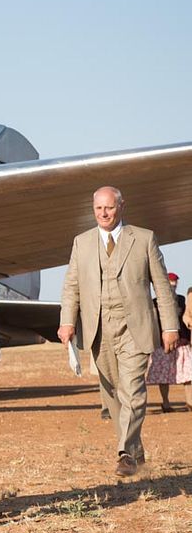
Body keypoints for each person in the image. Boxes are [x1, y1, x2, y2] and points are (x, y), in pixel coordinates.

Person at [59, 187, 180, 476]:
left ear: (121, 207)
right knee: (113, 392)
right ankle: (136, 450)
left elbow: (162, 287)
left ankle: (125, 452)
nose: (103, 213)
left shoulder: (144, 239)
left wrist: (170, 326)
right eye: (99, 208)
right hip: (99, 329)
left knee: (132, 388)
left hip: (134, 328)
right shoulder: (82, 242)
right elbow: (71, 286)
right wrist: (67, 321)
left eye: (109, 208)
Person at [146, 273, 191, 412]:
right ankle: (165, 403)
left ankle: (190, 402)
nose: (173, 286)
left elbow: (186, 317)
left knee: (188, 374)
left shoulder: (182, 300)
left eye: (174, 284)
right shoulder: (154, 303)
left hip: (181, 343)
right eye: (170, 284)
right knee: (163, 376)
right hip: (162, 344)